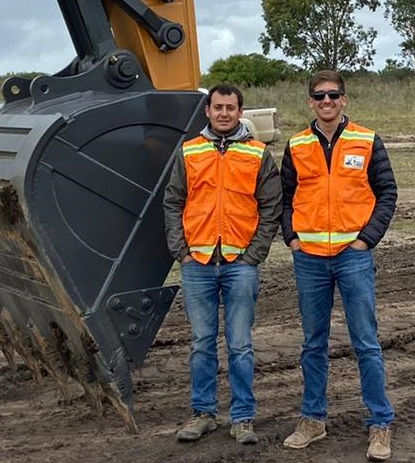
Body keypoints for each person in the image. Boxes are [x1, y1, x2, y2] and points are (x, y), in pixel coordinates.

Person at [280, 70, 397, 461]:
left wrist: (367, 239)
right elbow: (284, 198)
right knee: (313, 345)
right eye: (319, 96)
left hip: (353, 255)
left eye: (333, 95)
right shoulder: (296, 145)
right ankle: (313, 419)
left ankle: (380, 424)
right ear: (310, 102)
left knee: (366, 342)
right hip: (310, 259)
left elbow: (387, 193)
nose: (326, 102)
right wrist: (292, 238)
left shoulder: (366, 140)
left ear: (344, 99)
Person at [163, 84, 282, 445]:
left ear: (240, 111)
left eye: (230, 107)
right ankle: (203, 413)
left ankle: (243, 417)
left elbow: (271, 208)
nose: (224, 113)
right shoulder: (189, 151)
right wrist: (180, 251)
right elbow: (172, 203)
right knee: (201, 343)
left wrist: (253, 255)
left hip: (239, 264)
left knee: (240, 344)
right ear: (208, 112)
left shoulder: (258, 154)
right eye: (218, 107)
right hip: (196, 262)